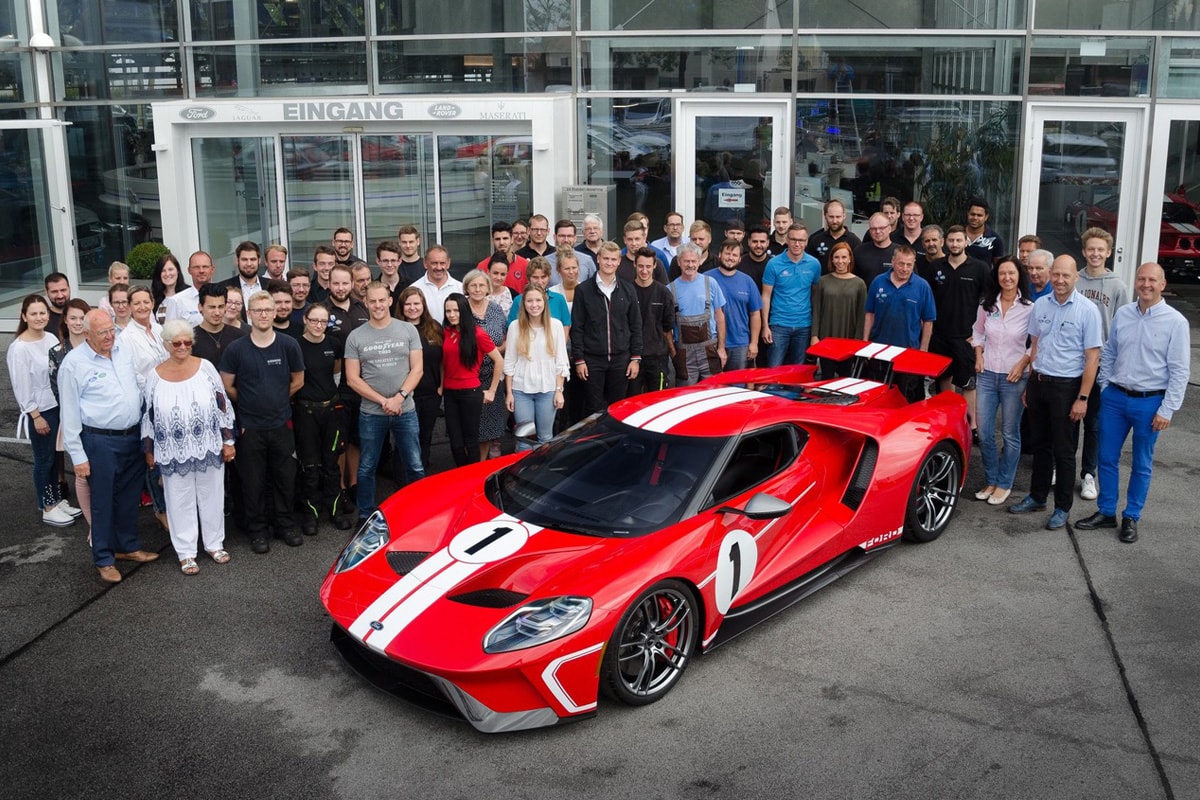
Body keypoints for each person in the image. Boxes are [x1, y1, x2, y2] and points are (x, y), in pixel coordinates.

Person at [1075, 263, 1190, 542]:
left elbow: (1180, 370)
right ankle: (1106, 512)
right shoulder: (1124, 313)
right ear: (1135, 282)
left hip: (1149, 403)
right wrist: (1105, 384)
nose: (1146, 284)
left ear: (1163, 285)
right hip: (1115, 397)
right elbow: (1110, 351)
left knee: (1141, 463)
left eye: (1152, 280)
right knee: (1106, 458)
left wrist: (1168, 408)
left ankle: (1131, 516)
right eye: (1141, 279)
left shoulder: (1176, 322)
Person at [59, 310, 160, 583]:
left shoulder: (122, 350)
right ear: (87, 334)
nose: (109, 336)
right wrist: (78, 457)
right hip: (99, 441)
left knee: (129, 497)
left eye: (111, 330)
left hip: (132, 435)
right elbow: (68, 414)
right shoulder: (73, 364)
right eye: (102, 332)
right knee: (102, 502)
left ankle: (127, 547)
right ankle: (103, 558)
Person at [1008, 255, 1103, 531]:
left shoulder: (1087, 310)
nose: (1060, 280)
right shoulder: (1040, 305)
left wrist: (1083, 398)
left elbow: (1092, 358)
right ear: (1051, 275)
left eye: (1066, 276)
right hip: (1039, 383)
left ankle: (1062, 507)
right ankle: (1037, 497)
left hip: (1067, 388)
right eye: (1057, 275)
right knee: (1040, 446)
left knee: (1063, 450)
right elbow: (1035, 343)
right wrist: (1030, 383)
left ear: (1076, 278)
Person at [143, 320, 236, 575]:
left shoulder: (205, 367)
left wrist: (228, 441)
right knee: (178, 500)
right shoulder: (154, 375)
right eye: (176, 343)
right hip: (172, 450)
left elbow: (222, 404)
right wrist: (149, 450)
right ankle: (186, 553)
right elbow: (148, 416)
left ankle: (214, 544)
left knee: (212, 496)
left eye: (186, 342)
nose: (182, 347)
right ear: (167, 345)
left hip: (208, 445)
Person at [219, 291, 305, 553]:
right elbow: (227, 386)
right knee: (253, 482)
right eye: (258, 310)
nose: (264, 314)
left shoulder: (289, 345)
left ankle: (285, 525)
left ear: (275, 312)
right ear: (250, 314)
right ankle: (257, 530)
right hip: (250, 427)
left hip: (281, 424)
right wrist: (249, 401)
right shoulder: (236, 349)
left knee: (284, 478)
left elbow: (298, 381)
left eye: (268, 309)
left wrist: (277, 399)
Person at [344, 283, 425, 519]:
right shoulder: (355, 337)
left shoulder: (408, 330)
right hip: (371, 413)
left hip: (406, 410)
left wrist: (399, 398)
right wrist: (383, 401)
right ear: (366, 303)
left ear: (390, 301)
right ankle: (365, 515)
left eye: (382, 300)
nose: (378, 305)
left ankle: (420, 511)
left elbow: (417, 369)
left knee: (415, 465)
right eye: (373, 301)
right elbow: (352, 379)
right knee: (367, 467)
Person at [7, 295, 78, 526]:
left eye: (42, 313)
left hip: (58, 405)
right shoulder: (19, 349)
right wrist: (34, 415)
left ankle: (57, 500)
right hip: (41, 412)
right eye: (34, 313)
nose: (39, 317)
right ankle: (47, 505)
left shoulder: (49, 338)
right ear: (24, 316)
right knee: (44, 460)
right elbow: (21, 386)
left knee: (56, 458)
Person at [971, 256, 1033, 506]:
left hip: (1013, 377)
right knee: (985, 433)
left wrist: (1022, 363)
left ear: (1019, 276)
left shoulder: (1030, 308)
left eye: (1012, 273)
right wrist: (978, 354)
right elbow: (977, 332)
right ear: (996, 277)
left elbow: (1037, 343)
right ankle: (991, 480)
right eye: (1002, 274)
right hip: (986, 375)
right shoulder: (988, 305)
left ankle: (1005, 483)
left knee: (1009, 433)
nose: (1007, 278)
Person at [1075, 226, 1130, 502]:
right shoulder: (1074, 280)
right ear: (1084, 251)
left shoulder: (1117, 286)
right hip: (1073, 361)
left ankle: (1088, 474)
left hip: (1101, 363)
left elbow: (1123, 327)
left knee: (1094, 423)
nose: (1095, 254)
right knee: (1068, 419)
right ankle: (1060, 468)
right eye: (1091, 249)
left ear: (1108, 253)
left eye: (1101, 250)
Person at [924, 225, 990, 439]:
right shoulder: (935, 267)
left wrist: (981, 333)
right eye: (951, 240)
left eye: (958, 240)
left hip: (966, 336)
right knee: (944, 380)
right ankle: (947, 422)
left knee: (968, 383)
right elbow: (929, 301)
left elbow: (987, 302)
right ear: (945, 242)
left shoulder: (979, 268)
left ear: (965, 243)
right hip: (940, 335)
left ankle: (972, 427)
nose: (954, 244)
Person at [293, 302, 350, 532]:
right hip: (305, 411)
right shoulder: (295, 346)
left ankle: (334, 510)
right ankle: (311, 514)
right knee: (310, 465)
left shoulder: (333, 344)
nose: (318, 325)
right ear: (305, 320)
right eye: (314, 320)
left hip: (330, 411)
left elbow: (336, 373)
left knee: (331, 463)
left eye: (323, 321)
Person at [118, 285, 169, 532]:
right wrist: (155, 389)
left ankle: (171, 505)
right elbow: (132, 375)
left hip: (169, 399)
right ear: (128, 306)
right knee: (152, 457)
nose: (142, 307)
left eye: (145, 302)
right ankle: (160, 510)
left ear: (152, 303)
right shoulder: (126, 337)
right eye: (136, 303)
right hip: (147, 402)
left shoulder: (159, 330)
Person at [570, 241, 643, 415]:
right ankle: (594, 442)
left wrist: (635, 358)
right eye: (606, 259)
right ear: (598, 259)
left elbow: (636, 325)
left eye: (613, 259)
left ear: (619, 261)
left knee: (618, 408)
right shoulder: (583, 290)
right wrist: (579, 359)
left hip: (621, 360)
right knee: (592, 409)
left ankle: (614, 443)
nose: (609, 263)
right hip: (592, 360)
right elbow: (577, 327)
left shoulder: (628, 289)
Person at [863, 246, 936, 401]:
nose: (904, 269)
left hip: (908, 352)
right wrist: (865, 343)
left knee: (906, 397)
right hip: (879, 350)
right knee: (878, 396)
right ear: (893, 262)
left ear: (914, 264)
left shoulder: (922, 286)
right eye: (901, 264)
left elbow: (928, 321)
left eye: (909, 265)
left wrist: (923, 351)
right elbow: (870, 314)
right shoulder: (878, 282)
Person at [440, 293, 502, 467]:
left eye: (456, 310)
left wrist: (492, 390)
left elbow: (499, 360)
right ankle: (461, 476)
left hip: (471, 392)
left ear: (464, 311)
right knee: (455, 443)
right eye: (448, 311)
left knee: (471, 441)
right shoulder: (445, 333)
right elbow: (443, 363)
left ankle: (472, 479)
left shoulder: (478, 334)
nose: (451, 314)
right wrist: (440, 386)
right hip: (450, 393)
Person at [504, 287, 569, 448]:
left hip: (548, 390)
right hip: (520, 391)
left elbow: (561, 361)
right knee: (524, 438)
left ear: (544, 302)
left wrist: (559, 391)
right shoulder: (515, 326)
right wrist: (510, 393)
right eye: (530, 301)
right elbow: (509, 362)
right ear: (523, 303)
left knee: (545, 437)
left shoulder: (556, 326)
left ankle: (541, 472)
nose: (534, 305)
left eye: (538, 300)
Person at [48, 299, 92, 526]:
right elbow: (57, 390)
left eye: (81, 318)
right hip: (74, 419)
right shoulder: (56, 352)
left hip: (98, 419)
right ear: (65, 320)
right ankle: (92, 524)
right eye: (72, 318)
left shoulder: (95, 345)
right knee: (82, 471)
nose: (77, 323)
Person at [395, 287, 443, 471]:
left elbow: (442, 359)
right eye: (408, 304)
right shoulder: (395, 329)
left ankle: (420, 475)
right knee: (405, 438)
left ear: (423, 304)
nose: (412, 308)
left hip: (431, 393)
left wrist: (441, 387)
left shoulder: (434, 328)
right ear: (401, 307)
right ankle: (402, 479)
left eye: (416, 303)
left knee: (425, 436)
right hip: (406, 395)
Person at [464, 270, 509, 460]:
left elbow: (506, 338)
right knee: (468, 425)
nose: (477, 289)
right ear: (466, 288)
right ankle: (469, 464)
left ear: (488, 288)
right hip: (468, 377)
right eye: (473, 285)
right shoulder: (460, 310)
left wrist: (494, 351)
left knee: (489, 426)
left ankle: (481, 463)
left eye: (481, 285)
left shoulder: (496, 310)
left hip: (493, 377)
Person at [762, 223, 821, 366]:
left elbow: (815, 296)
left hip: (804, 325)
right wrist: (765, 326)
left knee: (797, 372)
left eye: (801, 240)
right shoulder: (773, 264)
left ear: (806, 242)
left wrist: (814, 330)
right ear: (787, 240)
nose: (797, 244)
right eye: (793, 239)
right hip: (778, 325)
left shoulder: (814, 264)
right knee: (774, 370)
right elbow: (765, 296)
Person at [669, 243, 727, 384]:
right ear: (678, 262)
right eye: (686, 261)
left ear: (699, 261)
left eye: (693, 261)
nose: (690, 265)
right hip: (684, 354)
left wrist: (721, 348)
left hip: (710, 350)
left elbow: (719, 317)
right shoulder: (670, 289)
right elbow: (666, 328)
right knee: (686, 397)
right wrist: (674, 353)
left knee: (712, 394)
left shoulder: (710, 283)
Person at [810, 241, 867, 378]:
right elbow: (817, 309)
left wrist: (858, 341)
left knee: (845, 379)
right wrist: (814, 336)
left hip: (848, 340)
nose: (840, 261)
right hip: (826, 338)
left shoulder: (859, 284)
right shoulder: (823, 281)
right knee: (826, 378)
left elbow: (862, 315)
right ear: (831, 259)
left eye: (843, 257)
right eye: (836, 257)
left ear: (849, 259)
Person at [629, 247, 676, 394]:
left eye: (648, 266)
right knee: (632, 403)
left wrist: (671, 350)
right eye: (641, 266)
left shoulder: (663, 293)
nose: (644, 270)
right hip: (631, 357)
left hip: (657, 358)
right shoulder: (626, 291)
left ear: (655, 266)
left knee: (658, 401)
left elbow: (668, 327)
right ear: (634, 265)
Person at [711, 238, 762, 371]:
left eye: (735, 255)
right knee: (713, 386)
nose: (730, 258)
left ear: (739, 259)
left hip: (740, 343)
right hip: (712, 343)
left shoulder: (747, 281)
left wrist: (754, 343)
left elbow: (755, 314)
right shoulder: (707, 279)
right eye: (727, 254)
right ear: (720, 255)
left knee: (737, 387)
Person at [191, 283, 247, 367]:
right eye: (212, 307)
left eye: (220, 307)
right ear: (200, 307)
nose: (217, 312)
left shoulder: (240, 336)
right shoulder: (191, 339)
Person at [411, 245, 463, 324]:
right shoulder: (414, 289)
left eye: (442, 263)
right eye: (434, 263)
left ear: (448, 263)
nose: (438, 268)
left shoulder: (461, 288)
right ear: (425, 263)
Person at [806, 199, 861, 272]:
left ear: (844, 216)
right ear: (825, 216)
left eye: (838, 217)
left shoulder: (854, 241)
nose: (835, 221)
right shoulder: (815, 239)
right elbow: (809, 267)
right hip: (822, 283)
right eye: (831, 217)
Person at [474, 221, 529, 293]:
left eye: (505, 238)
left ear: (512, 239)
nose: (501, 243)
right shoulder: (483, 266)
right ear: (493, 241)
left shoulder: (525, 265)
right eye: (497, 239)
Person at [163, 251, 214, 327]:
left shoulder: (223, 296)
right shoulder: (176, 301)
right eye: (196, 267)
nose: (201, 271)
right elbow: (170, 333)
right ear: (189, 270)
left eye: (205, 267)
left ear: (212, 269)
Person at [853, 213, 897, 285]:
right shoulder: (859, 252)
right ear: (869, 230)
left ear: (890, 229)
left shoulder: (900, 252)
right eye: (873, 229)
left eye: (881, 228)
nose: (877, 231)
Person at [964, 197, 1005, 265]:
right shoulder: (957, 236)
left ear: (986, 217)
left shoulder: (995, 239)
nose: (975, 218)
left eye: (979, 215)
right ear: (968, 214)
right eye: (972, 214)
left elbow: (998, 267)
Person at [151, 253, 188, 324]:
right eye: (163, 271)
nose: (167, 274)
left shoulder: (189, 293)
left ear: (178, 271)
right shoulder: (154, 297)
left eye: (170, 269)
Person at [739, 224, 772, 291]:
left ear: (768, 242)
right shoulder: (739, 264)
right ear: (748, 242)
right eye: (755, 241)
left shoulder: (774, 264)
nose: (758, 245)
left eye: (762, 242)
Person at [43, 272, 71, 336]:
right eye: (54, 292)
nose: (60, 296)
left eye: (63, 290)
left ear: (69, 289)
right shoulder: (42, 319)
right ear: (46, 292)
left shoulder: (81, 312)